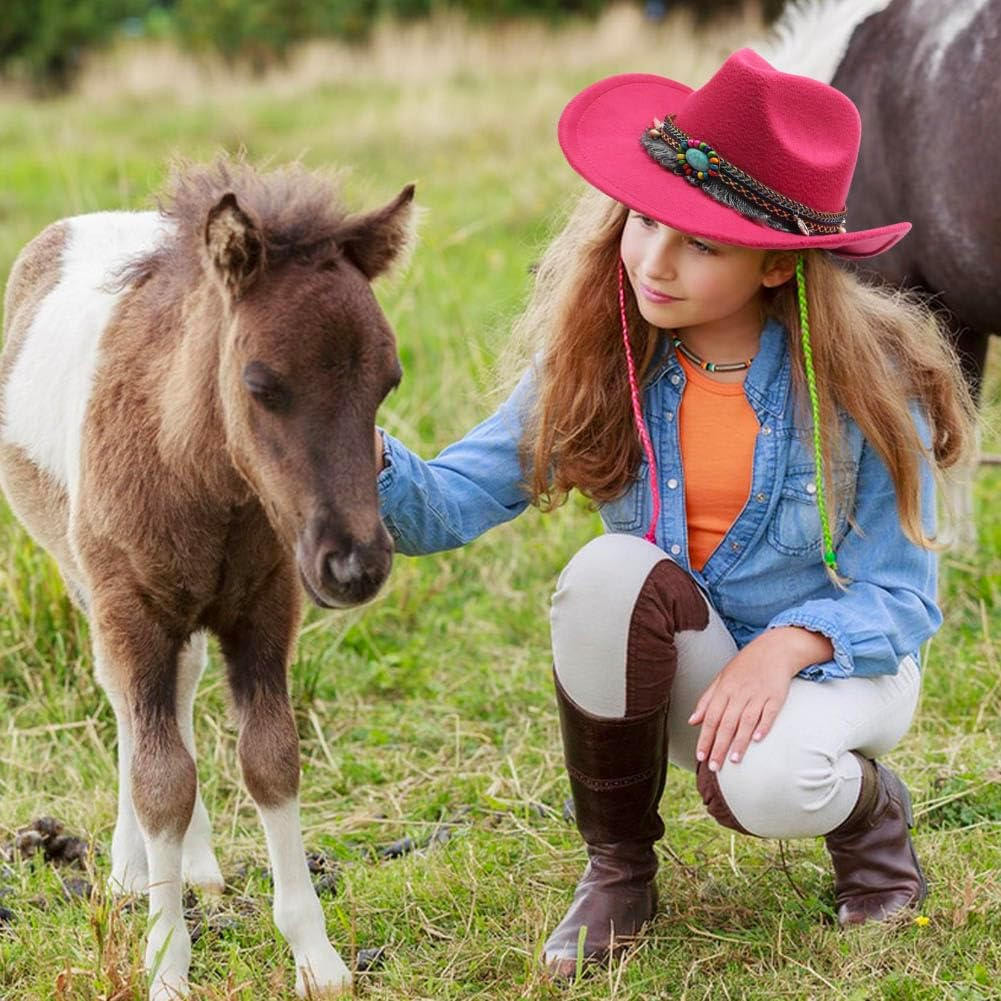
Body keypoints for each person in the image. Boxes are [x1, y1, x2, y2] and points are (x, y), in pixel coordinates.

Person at [373, 48, 975, 976]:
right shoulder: (598, 363)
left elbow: (903, 598)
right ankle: (618, 869)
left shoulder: (866, 387)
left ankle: (870, 814)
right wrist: (349, 445)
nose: (652, 261)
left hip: (845, 668)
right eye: (645, 220)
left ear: (777, 265)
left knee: (765, 783)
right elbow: (440, 507)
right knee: (602, 575)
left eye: (701, 242)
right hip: (699, 669)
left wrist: (787, 646)